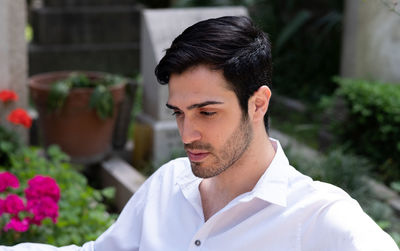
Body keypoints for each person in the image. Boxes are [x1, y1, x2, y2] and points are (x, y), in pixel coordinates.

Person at [2, 16, 399, 251]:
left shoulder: (320, 218)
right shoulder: (168, 184)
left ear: (258, 104)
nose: (188, 133)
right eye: (179, 113)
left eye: (207, 112)